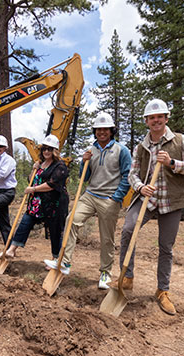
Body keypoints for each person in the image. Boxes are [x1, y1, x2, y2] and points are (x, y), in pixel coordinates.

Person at [110, 98, 184, 316]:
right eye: (152, 118)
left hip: (172, 200)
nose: (156, 120)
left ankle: (162, 291)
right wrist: (140, 187)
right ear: (147, 121)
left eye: (159, 116)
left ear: (166, 118)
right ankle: (127, 277)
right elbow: (132, 174)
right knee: (128, 230)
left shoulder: (181, 141)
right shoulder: (141, 147)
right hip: (147, 198)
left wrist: (172, 163)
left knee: (165, 246)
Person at [45, 112, 132, 290]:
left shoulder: (121, 150)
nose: (102, 132)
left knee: (106, 237)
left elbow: (127, 176)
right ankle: (65, 262)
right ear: (95, 131)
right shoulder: (90, 151)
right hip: (90, 195)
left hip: (109, 197)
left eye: (105, 129)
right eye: (98, 129)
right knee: (71, 220)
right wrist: (83, 163)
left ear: (111, 130)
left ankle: (105, 273)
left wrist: (116, 197)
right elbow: (83, 178)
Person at [0, 135, 69, 260]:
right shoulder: (40, 164)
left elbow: (52, 184)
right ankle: (12, 250)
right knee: (25, 223)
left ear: (54, 151)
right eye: (44, 149)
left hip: (53, 204)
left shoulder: (60, 166)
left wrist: (34, 189)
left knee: (54, 231)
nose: (46, 151)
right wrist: (33, 170)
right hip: (36, 203)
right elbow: (31, 180)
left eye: (49, 149)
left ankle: (56, 259)